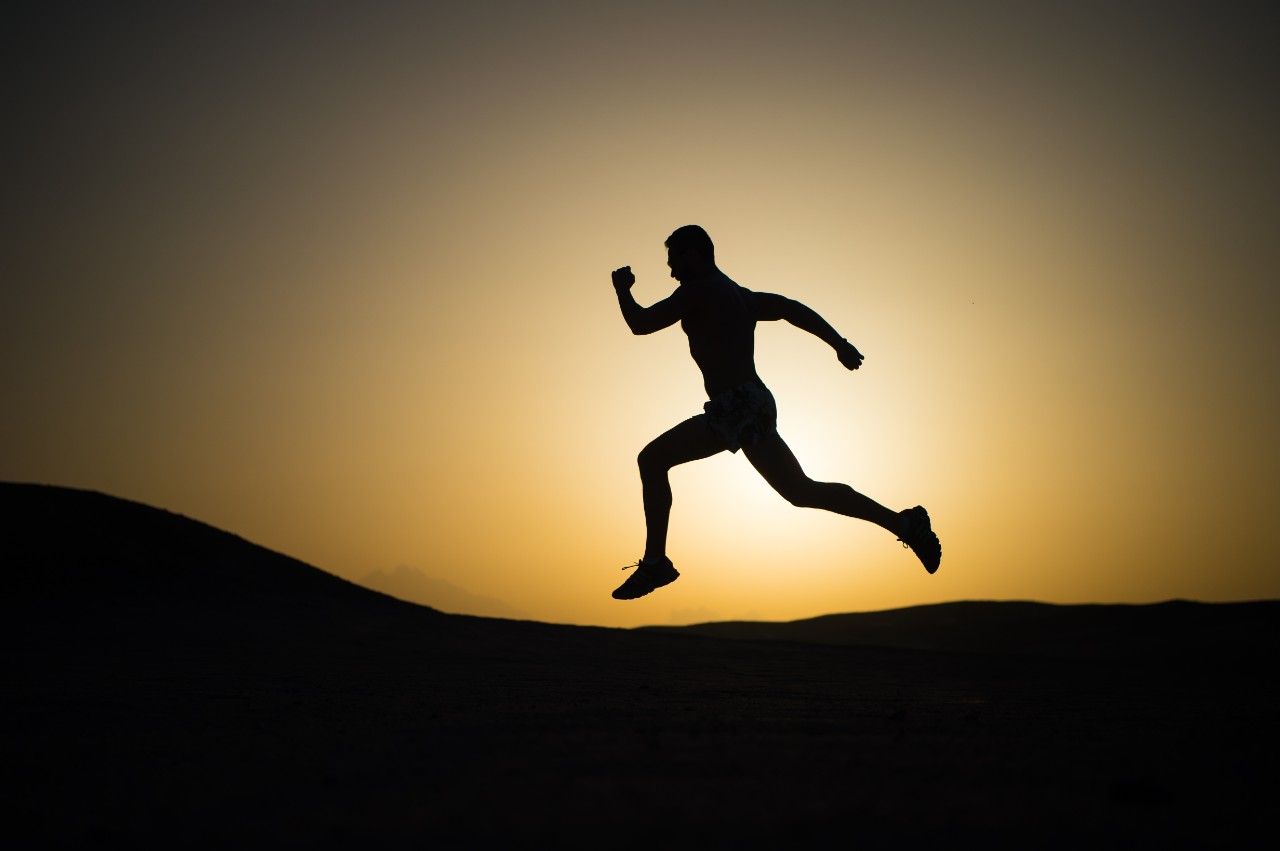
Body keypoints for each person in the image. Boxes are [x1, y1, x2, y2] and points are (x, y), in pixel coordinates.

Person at [610, 225, 941, 600]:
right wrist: (839, 343)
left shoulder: (698, 290)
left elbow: (641, 324)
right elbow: (789, 308)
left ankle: (656, 564)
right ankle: (905, 523)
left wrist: (623, 291)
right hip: (754, 402)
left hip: (737, 405)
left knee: (652, 459)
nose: (672, 272)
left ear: (698, 254)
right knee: (801, 491)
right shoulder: (738, 295)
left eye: (676, 262)